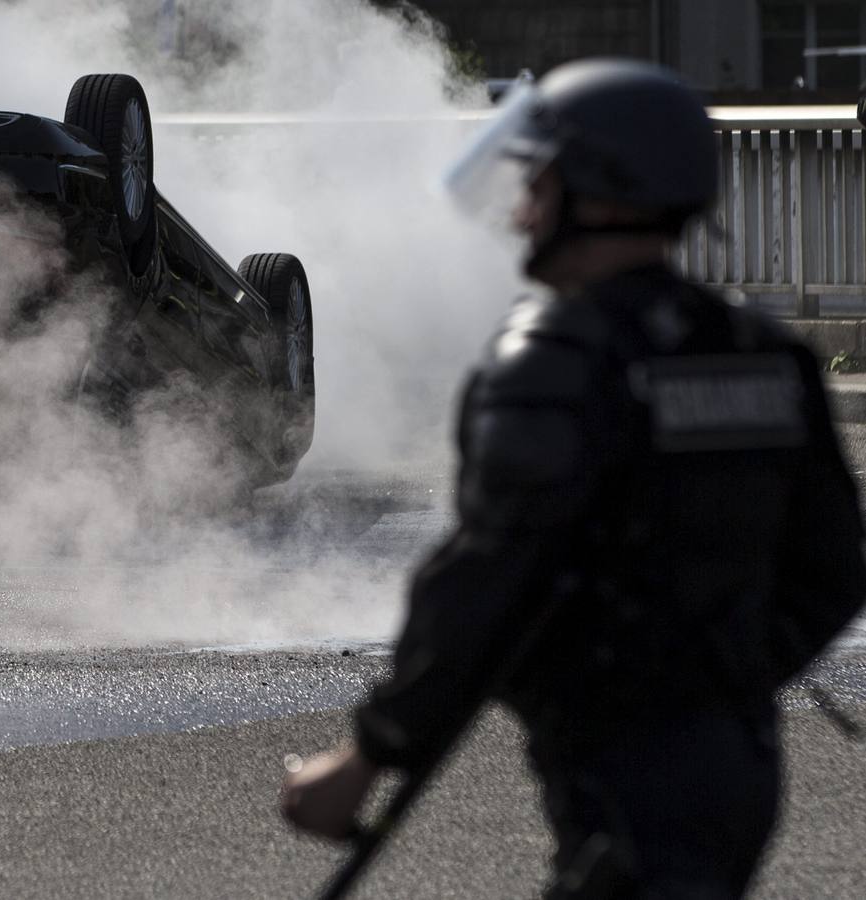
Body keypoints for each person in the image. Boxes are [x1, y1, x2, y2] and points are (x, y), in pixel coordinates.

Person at [281, 58, 866, 898]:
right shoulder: (760, 353)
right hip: (737, 758)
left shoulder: (557, 358)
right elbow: (833, 568)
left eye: (540, 184)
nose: (521, 213)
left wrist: (366, 754)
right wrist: (721, 676)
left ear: (604, 192)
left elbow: (482, 577)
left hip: (621, 766)